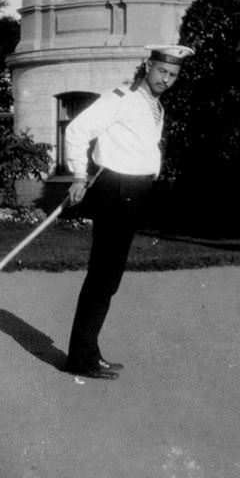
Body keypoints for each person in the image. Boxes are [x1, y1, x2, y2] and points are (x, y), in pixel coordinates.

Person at [62, 44, 193, 380]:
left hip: (133, 192)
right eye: (162, 71)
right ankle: (80, 357)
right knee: (102, 276)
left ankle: (88, 351)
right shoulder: (122, 97)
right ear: (148, 66)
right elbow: (76, 129)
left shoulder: (153, 104)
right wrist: (78, 175)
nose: (167, 79)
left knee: (109, 278)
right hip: (115, 190)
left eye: (173, 75)